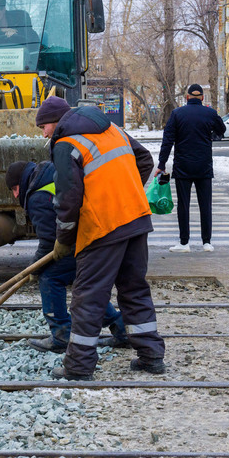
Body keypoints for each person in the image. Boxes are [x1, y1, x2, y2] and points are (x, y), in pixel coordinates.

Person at [37, 96, 165, 381]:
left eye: (43, 126)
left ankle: (79, 367)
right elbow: (144, 159)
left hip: (104, 227)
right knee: (134, 289)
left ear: (56, 122)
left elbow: (68, 200)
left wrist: (63, 240)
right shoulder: (113, 129)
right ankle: (151, 356)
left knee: (88, 297)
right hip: (136, 218)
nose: (44, 133)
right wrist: (125, 190)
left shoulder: (66, 144)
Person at [5, 160, 128, 352]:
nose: (15, 195)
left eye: (15, 188)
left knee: (50, 278)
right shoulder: (49, 171)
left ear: (22, 180)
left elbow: (49, 241)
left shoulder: (37, 196)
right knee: (86, 285)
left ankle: (61, 334)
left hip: (83, 238)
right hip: (99, 233)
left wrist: (35, 268)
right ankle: (121, 330)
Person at [156, 84, 226, 253]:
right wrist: (210, 135)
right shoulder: (210, 113)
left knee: (183, 205)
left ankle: (184, 242)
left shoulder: (177, 114)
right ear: (202, 98)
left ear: (187, 97)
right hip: (204, 166)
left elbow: (168, 141)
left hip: (183, 166)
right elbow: (221, 130)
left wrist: (161, 164)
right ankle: (206, 242)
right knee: (205, 204)